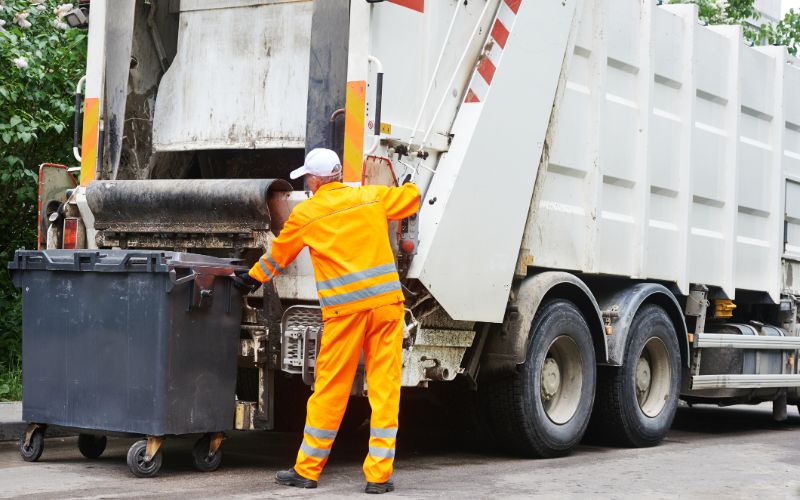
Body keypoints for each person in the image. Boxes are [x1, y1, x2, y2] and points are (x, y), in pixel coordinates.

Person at [233, 148, 420, 494]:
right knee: (384, 389)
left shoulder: (308, 213)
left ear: (316, 180)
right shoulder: (371, 197)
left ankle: (307, 471)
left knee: (330, 390)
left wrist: (251, 278)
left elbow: (279, 254)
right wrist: (410, 180)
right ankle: (378, 477)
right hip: (386, 308)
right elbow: (410, 200)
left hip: (345, 314)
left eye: (307, 177)